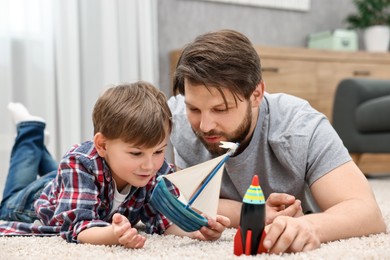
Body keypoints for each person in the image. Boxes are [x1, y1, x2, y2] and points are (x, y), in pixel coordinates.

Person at [168, 29, 386, 253]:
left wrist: (309, 226)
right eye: (193, 108)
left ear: (256, 94)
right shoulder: (173, 119)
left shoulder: (300, 128)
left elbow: (368, 214)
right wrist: (254, 212)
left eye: (220, 109)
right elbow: (172, 199)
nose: (204, 126)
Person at [0, 81, 230, 248]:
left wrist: (198, 230)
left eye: (159, 151)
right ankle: (30, 129)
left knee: (59, 174)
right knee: (9, 199)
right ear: (102, 144)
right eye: (136, 153)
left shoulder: (155, 171)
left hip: (73, 185)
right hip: (29, 204)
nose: (149, 165)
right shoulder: (79, 163)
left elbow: (165, 222)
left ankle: (40, 146)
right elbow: (77, 228)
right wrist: (112, 234)